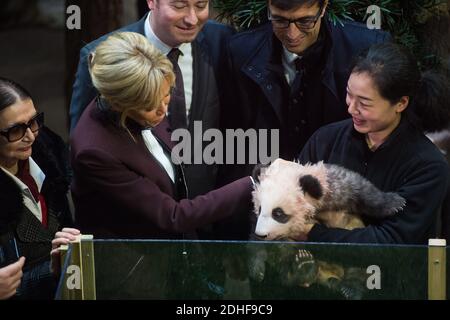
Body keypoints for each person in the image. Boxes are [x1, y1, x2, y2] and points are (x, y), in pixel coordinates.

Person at [71, 31, 253, 240]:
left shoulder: (146, 96)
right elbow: (173, 216)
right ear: (120, 103)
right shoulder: (94, 151)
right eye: (151, 105)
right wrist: (252, 183)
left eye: (167, 96)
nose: (163, 110)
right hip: (134, 262)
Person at [69, 0, 235, 207]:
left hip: (211, 208)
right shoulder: (102, 60)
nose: (192, 19)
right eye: (179, 6)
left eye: (201, 6)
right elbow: (81, 149)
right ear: (151, 2)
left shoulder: (223, 40)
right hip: (136, 215)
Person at [221, 0, 391, 183]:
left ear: (324, 7)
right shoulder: (240, 51)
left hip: (341, 185)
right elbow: (232, 136)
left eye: (305, 21)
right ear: (269, 7)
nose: (292, 34)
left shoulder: (366, 48)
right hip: (265, 187)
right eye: (280, 21)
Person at [297, 43, 450, 244]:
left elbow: (391, 239)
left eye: (364, 103)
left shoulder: (428, 166)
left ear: (401, 103)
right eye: (349, 94)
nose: (352, 108)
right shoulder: (325, 140)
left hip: (391, 271)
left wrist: (311, 233)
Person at [0, 77, 80, 299]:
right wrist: (52, 270)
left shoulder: (51, 167)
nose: (30, 136)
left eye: (33, 121)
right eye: (15, 130)